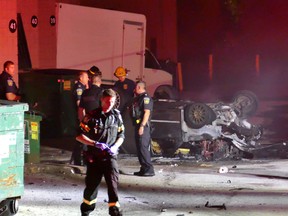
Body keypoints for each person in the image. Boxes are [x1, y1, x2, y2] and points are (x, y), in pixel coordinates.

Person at [76, 88, 125, 216]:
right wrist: (95, 143)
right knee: (91, 188)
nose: (110, 104)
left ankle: (115, 211)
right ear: (102, 100)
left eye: (113, 102)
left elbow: (121, 135)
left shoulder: (117, 116)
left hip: (110, 157)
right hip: (95, 158)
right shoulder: (91, 116)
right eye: (108, 101)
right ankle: (86, 211)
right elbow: (79, 136)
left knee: (113, 186)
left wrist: (115, 147)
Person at [132, 81, 155, 177]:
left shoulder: (145, 98)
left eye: (135, 87)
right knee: (139, 148)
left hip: (144, 126)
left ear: (138, 87)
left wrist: (142, 126)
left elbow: (147, 112)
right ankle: (143, 168)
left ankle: (149, 169)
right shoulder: (139, 98)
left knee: (143, 148)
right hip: (139, 125)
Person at [70, 70, 89, 166]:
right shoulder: (79, 88)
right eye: (86, 77)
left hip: (79, 116)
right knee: (82, 137)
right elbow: (79, 103)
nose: (88, 79)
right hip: (79, 116)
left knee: (81, 138)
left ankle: (78, 159)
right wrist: (84, 116)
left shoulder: (83, 87)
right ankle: (79, 160)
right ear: (81, 78)